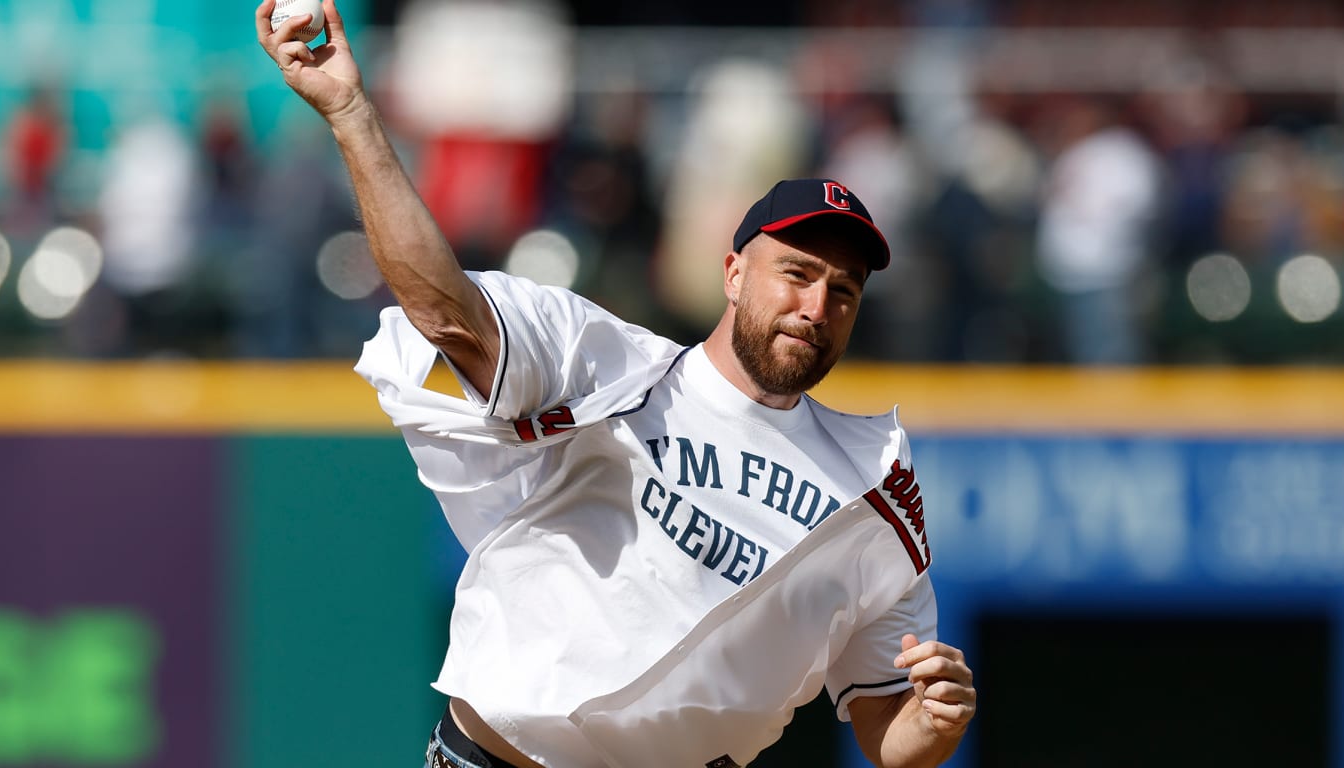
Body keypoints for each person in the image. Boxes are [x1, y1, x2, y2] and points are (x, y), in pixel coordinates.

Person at [256, 3, 977, 767]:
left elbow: (888, 732)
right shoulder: (610, 365)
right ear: (733, 274)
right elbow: (446, 313)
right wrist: (351, 113)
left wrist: (931, 729)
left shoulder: (871, 488)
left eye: (844, 291)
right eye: (795, 273)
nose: (816, 306)